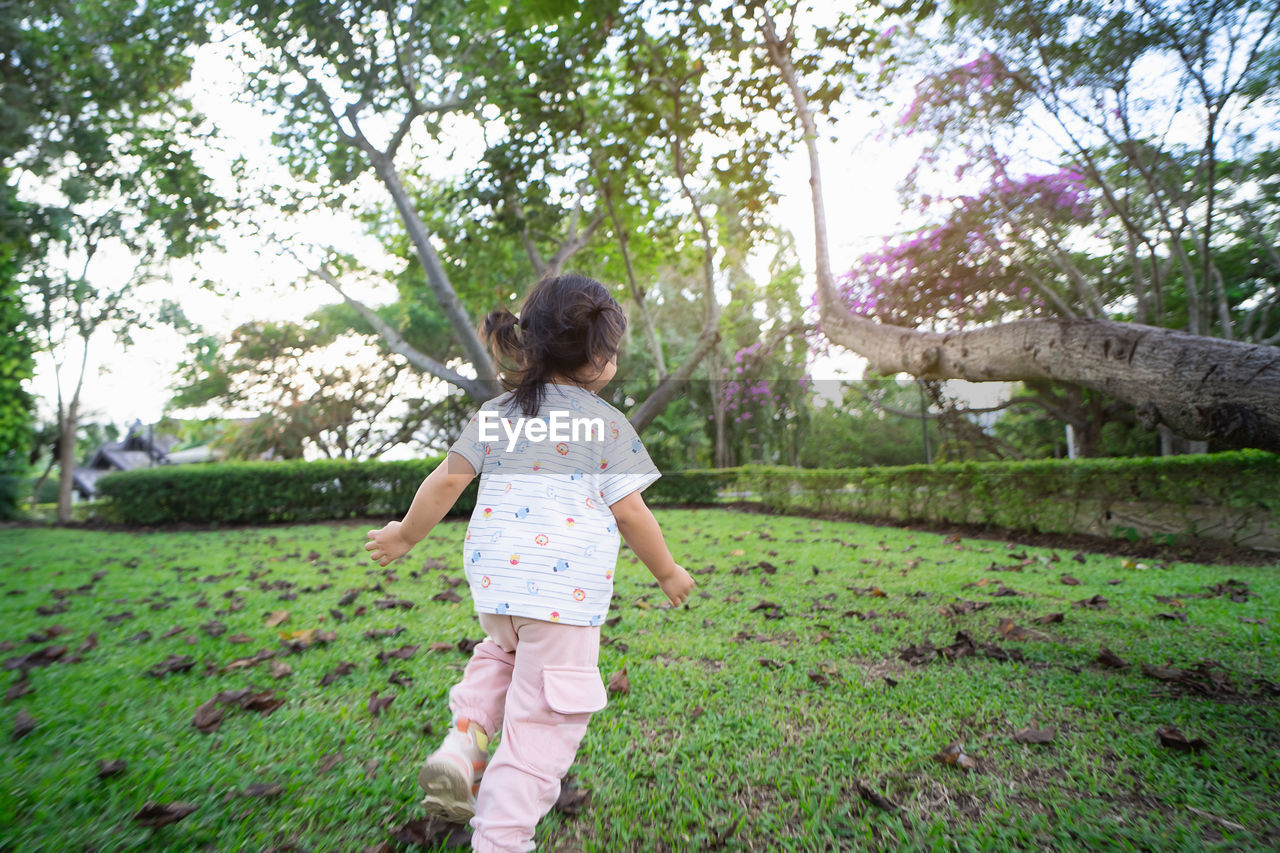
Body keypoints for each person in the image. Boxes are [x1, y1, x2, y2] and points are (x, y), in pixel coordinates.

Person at [365, 273, 695, 852]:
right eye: (612, 350)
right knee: (543, 723)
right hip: (561, 602)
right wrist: (666, 571)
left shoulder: (496, 413)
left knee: (502, 657)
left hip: (499, 592)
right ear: (597, 358)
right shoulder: (604, 424)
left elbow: (447, 481)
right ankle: (501, 836)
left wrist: (404, 535)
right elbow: (632, 514)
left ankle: (464, 739)